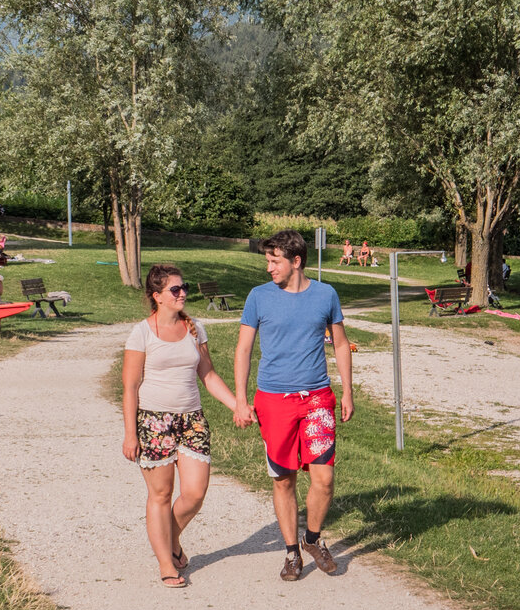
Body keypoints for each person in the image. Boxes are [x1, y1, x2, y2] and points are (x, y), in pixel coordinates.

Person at [233, 229, 354, 581]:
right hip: (274, 401)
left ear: (296, 261)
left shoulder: (325, 295)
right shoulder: (258, 297)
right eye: (267, 261)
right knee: (283, 479)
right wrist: (241, 399)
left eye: (275, 261)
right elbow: (243, 349)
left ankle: (312, 539)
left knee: (325, 478)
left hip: (317, 398)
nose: (269, 268)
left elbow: (341, 345)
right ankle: (291, 552)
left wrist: (347, 391)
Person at [123, 264, 243, 587]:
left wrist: (238, 405)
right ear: (156, 296)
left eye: (183, 287)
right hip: (153, 421)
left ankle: (170, 539)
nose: (183, 294)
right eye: (175, 290)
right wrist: (131, 434)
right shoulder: (142, 333)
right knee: (160, 495)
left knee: (194, 493)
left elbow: (209, 375)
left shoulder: (194, 329)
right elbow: (130, 387)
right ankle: (166, 561)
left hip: (192, 420)